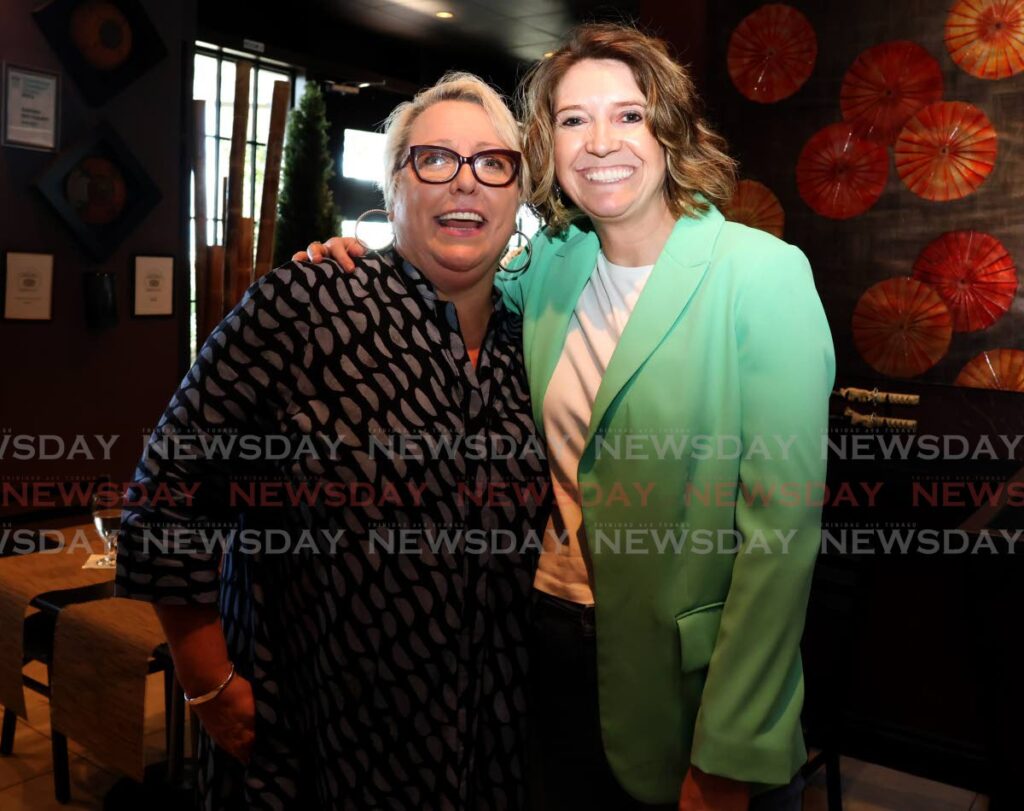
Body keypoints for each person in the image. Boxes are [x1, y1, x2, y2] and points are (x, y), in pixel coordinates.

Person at [300, 23, 835, 811]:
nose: (599, 142)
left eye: (627, 113)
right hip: (547, 641)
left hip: (690, 682)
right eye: (574, 119)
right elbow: (455, 271)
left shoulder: (762, 276)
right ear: (550, 145)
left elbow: (780, 539)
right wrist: (351, 260)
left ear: (670, 127)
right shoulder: (553, 263)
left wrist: (728, 748)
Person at [115, 73, 550, 810]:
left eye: (492, 163)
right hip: (317, 749)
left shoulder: (535, 341)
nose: (465, 184)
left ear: (518, 196)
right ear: (394, 187)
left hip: (491, 748)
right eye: (435, 159)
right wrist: (207, 683)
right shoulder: (307, 302)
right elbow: (166, 491)